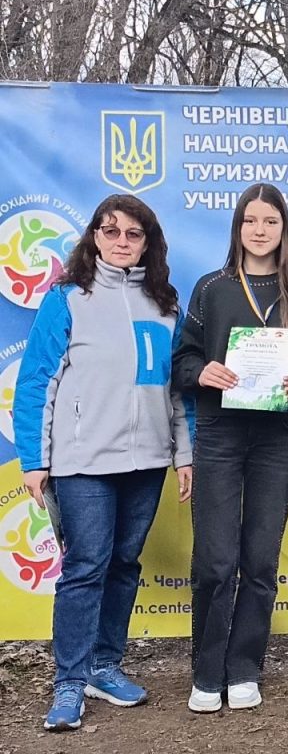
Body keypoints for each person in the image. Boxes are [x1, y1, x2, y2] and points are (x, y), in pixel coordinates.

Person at [13, 195, 193, 731]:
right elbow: (36, 382)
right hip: (82, 462)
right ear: (94, 236)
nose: (121, 241)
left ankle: (103, 665)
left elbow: (177, 391)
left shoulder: (166, 306)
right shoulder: (66, 298)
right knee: (85, 567)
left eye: (133, 234)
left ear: (148, 243)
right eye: (110, 231)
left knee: (124, 564)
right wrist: (33, 459)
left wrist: (184, 454)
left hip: (147, 463)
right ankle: (69, 681)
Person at [173, 183, 288, 713]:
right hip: (219, 434)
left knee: (260, 560)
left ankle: (244, 668)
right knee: (215, 561)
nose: (260, 230)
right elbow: (182, 361)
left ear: (284, 230)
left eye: (270, 221)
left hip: (274, 440)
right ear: (238, 227)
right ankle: (206, 672)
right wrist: (203, 371)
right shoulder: (212, 288)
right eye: (250, 221)